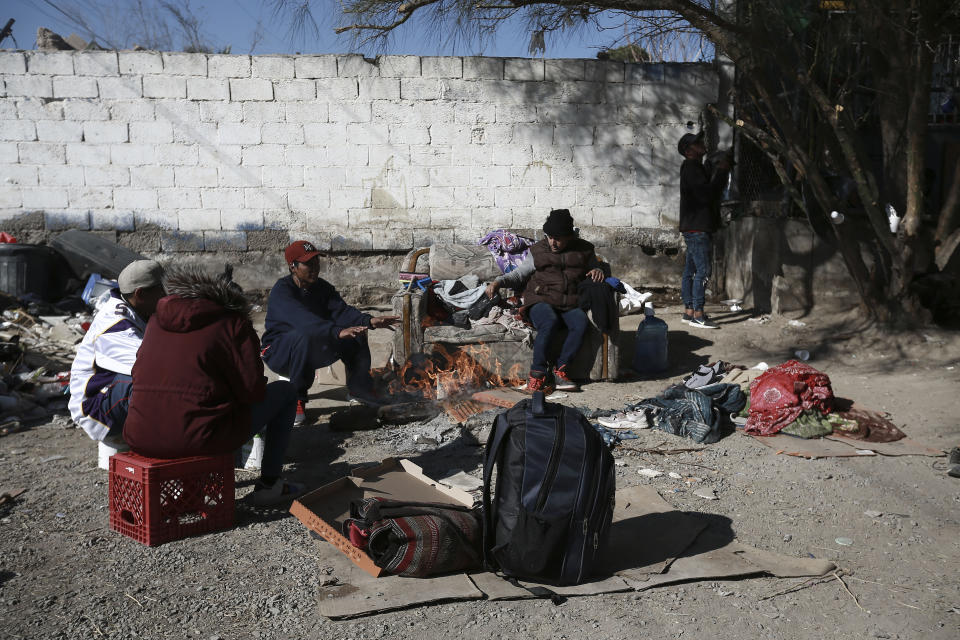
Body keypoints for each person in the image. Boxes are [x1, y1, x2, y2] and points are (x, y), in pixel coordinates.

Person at [123, 266, 303, 505]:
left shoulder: (157, 320)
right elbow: (253, 391)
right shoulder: (233, 323)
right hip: (200, 439)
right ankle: (270, 485)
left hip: (139, 436)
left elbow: (139, 373)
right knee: (287, 391)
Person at [260, 240, 400, 423]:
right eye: (308, 264)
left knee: (356, 333)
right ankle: (296, 399)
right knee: (302, 335)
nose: (315, 268)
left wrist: (369, 321)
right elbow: (303, 322)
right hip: (279, 352)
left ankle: (360, 389)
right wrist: (335, 332)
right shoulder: (282, 290)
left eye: (317, 262)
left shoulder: (322, 287)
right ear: (292, 266)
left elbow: (342, 312)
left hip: (310, 350)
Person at [485, 209, 604, 393]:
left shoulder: (584, 249)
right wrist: (498, 282)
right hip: (540, 299)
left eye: (558, 238)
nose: (552, 242)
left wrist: (598, 271)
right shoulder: (538, 250)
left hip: (569, 301)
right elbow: (519, 274)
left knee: (580, 322)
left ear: (569, 236)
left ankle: (560, 370)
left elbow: (595, 267)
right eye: (549, 237)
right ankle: (537, 374)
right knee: (549, 321)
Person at [68, 260, 165, 445]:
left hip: (110, 389)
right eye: (160, 290)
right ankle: (157, 443)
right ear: (140, 294)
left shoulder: (137, 309)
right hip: (94, 406)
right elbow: (151, 369)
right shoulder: (116, 327)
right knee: (151, 387)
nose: (165, 296)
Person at [677, 131, 730, 330]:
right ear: (689, 150)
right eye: (697, 143)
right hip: (697, 227)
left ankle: (689, 311)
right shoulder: (692, 167)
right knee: (703, 271)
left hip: (693, 226)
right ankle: (699, 314)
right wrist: (723, 171)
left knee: (690, 270)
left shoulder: (692, 167)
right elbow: (707, 194)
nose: (702, 144)